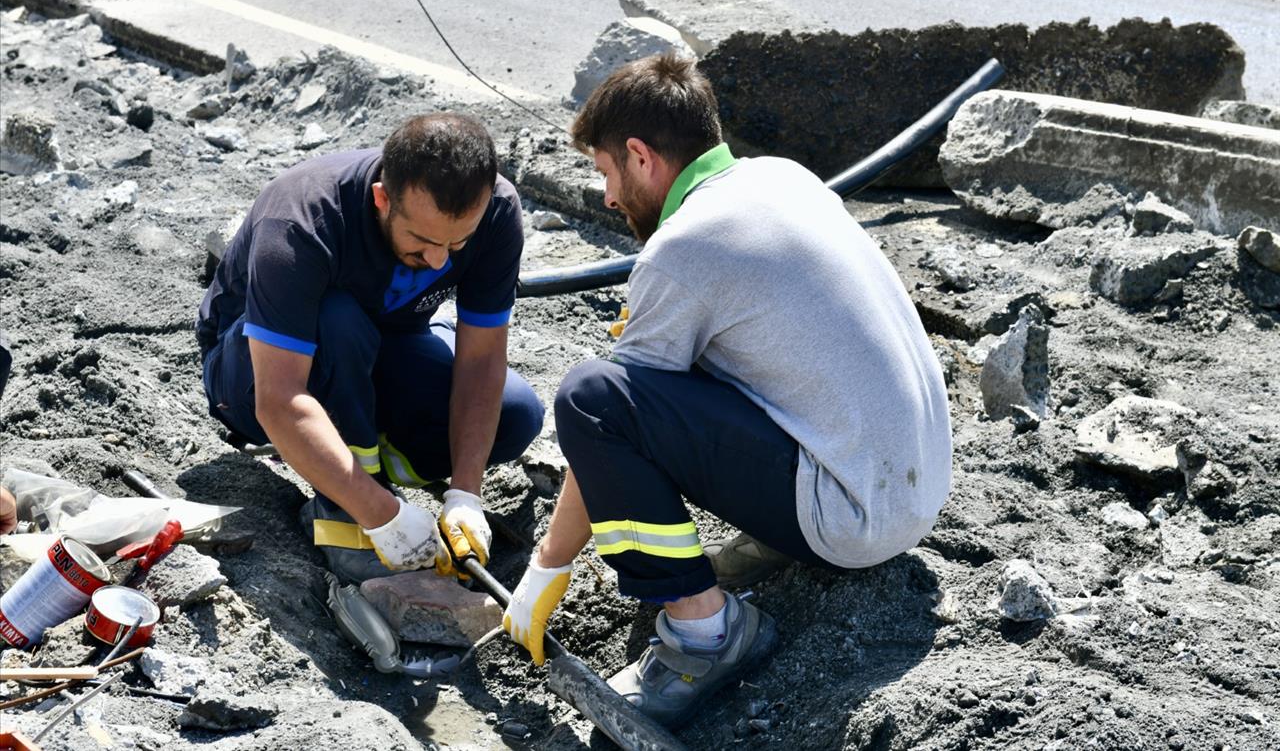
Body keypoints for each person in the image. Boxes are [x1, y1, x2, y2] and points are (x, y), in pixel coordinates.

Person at [500, 54, 952, 725]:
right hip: (917, 491)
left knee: (592, 396)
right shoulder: (781, 178)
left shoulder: (684, 247)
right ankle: (779, 535)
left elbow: (611, 415)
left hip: (853, 518)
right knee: (694, 363)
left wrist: (547, 567)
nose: (607, 197)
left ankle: (706, 635)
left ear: (640, 155)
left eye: (605, 173)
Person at [196, 113, 543, 583]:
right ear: (382, 199)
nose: (439, 260)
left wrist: (465, 494)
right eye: (422, 242)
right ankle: (345, 505)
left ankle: (372, 457)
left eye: (457, 243)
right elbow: (279, 399)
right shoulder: (302, 220)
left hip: (381, 346)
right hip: (252, 372)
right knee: (338, 319)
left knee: (516, 413)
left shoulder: (497, 210)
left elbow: (481, 360)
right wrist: (382, 513)